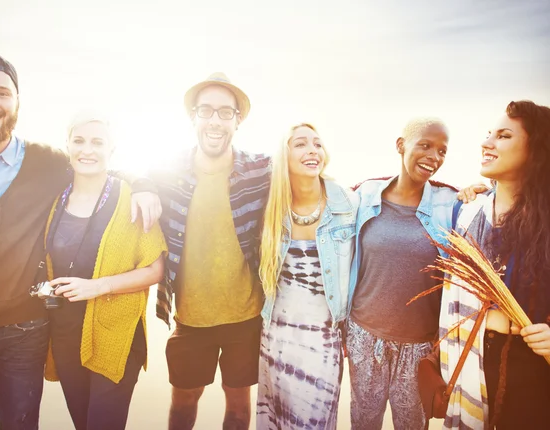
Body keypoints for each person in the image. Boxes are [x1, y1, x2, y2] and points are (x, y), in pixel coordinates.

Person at [0, 53, 158, 430]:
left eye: (2, 93)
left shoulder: (45, 162)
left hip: (23, 333)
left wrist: (143, 184)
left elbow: (98, 165)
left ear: (17, 102)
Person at [149, 72, 270, 430]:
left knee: (237, 408)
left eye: (225, 112)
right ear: (194, 118)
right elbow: (125, 171)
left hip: (245, 317)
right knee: (183, 406)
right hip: (190, 319)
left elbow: (308, 174)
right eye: (206, 111)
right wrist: (141, 185)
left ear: (238, 119)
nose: (215, 120)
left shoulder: (260, 170)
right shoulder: (170, 172)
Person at [34, 113, 167, 430]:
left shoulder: (132, 198)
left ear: (112, 150)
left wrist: (100, 286)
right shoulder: (55, 199)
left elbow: (155, 268)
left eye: (97, 142)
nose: (87, 150)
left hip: (116, 335)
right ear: (67, 146)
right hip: (65, 334)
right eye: (78, 141)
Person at [439, 100, 550, 429]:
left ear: (536, 150)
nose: (486, 143)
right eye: (489, 134)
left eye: (503, 136)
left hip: (529, 370)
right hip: (470, 358)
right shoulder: (468, 212)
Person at [346, 118, 458, 429]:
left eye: (442, 151)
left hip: (419, 345)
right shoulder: (364, 195)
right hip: (364, 336)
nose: (433, 157)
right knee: (363, 421)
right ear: (401, 146)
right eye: (425, 145)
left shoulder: (451, 204)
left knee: (412, 425)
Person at [256, 123, 358, 429]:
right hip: (276, 338)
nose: (312, 150)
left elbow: (395, 191)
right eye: (300, 144)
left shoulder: (349, 204)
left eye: (317, 144)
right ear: (284, 156)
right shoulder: (272, 207)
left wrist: (466, 192)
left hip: (323, 341)